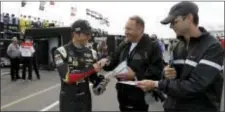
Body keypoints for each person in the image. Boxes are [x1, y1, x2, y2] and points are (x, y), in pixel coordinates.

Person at [136, 1, 224, 112]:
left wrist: (156, 84)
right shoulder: (178, 46)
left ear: (189, 18)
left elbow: (194, 86)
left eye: (174, 22)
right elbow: (175, 78)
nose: (171, 26)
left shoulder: (212, 47)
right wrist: (167, 74)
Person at [98, 15, 164, 111]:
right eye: (125, 28)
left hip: (140, 98)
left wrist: (135, 75)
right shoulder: (124, 44)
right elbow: (114, 59)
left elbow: (157, 71)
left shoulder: (152, 46)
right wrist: (105, 62)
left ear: (140, 29)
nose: (125, 32)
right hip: (122, 95)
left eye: (129, 29)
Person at [54, 19, 109, 112]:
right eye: (86, 34)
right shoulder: (60, 51)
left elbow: (92, 76)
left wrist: (98, 82)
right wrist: (92, 68)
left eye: (90, 34)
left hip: (85, 100)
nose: (89, 37)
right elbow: (67, 77)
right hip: (68, 101)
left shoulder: (92, 53)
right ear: (76, 34)